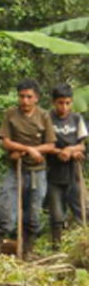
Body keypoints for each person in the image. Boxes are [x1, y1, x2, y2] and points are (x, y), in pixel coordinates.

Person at [0, 79, 56, 257]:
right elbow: (5, 142)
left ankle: (27, 251)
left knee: (33, 213)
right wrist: (27, 149)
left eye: (29, 97)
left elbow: (50, 145)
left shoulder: (44, 116)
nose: (25, 101)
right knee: (5, 209)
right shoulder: (10, 114)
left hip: (38, 172)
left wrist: (34, 151)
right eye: (22, 97)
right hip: (15, 170)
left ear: (36, 98)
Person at [45, 84, 87, 248]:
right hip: (53, 173)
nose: (64, 107)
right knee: (56, 215)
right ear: (54, 102)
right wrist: (59, 152)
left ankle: (83, 245)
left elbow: (82, 145)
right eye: (61, 103)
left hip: (74, 172)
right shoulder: (47, 119)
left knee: (82, 210)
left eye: (68, 103)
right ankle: (56, 247)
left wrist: (71, 150)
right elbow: (44, 145)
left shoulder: (76, 119)